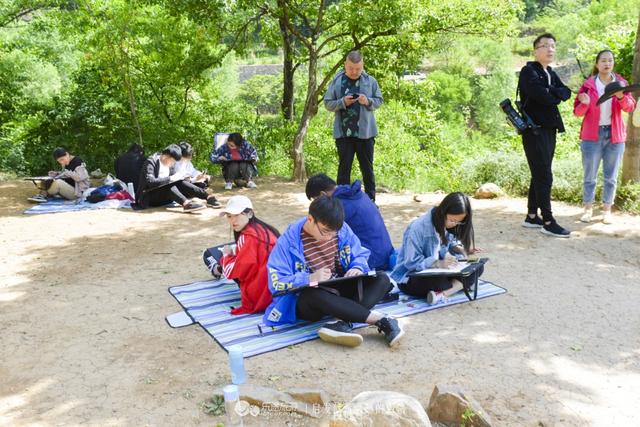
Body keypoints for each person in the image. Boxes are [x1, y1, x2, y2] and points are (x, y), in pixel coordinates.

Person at [263, 195, 403, 348]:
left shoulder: (341, 229)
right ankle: (381, 320)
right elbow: (276, 283)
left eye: (333, 233)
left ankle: (341, 322)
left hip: (337, 286)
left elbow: (360, 254)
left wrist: (356, 268)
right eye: (325, 232)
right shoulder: (288, 242)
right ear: (310, 219)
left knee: (382, 278)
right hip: (310, 299)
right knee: (312, 294)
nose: (330, 237)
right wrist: (308, 278)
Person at [518, 33, 572, 238]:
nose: (550, 49)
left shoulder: (550, 71)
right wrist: (553, 93)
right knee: (544, 175)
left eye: (553, 46)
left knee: (540, 172)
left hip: (549, 129)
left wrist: (552, 91)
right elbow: (543, 97)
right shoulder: (528, 71)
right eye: (545, 46)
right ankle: (548, 221)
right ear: (535, 50)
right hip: (534, 130)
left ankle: (532, 216)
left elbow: (566, 92)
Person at [573, 50, 636, 224]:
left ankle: (607, 210)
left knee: (611, 176)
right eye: (603, 60)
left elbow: (630, 107)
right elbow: (577, 113)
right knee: (590, 175)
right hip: (592, 136)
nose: (607, 63)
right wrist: (584, 104)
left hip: (615, 136)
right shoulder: (588, 85)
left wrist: (622, 97)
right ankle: (588, 209)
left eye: (610, 60)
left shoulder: (620, 83)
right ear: (597, 64)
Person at [391, 192, 482, 305]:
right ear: (443, 211)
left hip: (437, 273)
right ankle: (460, 285)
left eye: (459, 221)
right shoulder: (418, 228)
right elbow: (411, 263)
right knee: (440, 282)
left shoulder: (443, 223)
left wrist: (461, 249)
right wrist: (438, 263)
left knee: (476, 267)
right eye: (453, 220)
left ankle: (442, 294)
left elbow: (449, 243)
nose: (455, 224)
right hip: (410, 278)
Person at [203, 196, 280, 315]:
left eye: (237, 215)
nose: (233, 220)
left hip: (261, 297)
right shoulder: (266, 230)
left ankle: (217, 269)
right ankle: (217, 268)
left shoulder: (247, 237)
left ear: (250, 214)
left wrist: (226, 256)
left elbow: (235, 271)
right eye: (229, 216)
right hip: (276, 289)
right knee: (229, 254)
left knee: (212, 255)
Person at [324, 50, 383, 202]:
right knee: (344, 170)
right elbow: (328, 103)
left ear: (362, 65)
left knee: (367, 169)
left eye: (358, 68)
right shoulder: (337, 81)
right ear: (345, 65)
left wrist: (367, 101)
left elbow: (379, 100)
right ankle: (341, 203)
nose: (355, 72)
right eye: (351, 68)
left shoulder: (370, 81)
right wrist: (343, 102)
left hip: (366, 134)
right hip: (343, 134)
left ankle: (371, 202)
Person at [305, 173, 394, 270]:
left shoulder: (337, 206)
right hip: (386, 254)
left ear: (323, 194)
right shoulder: (355, 194)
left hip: (372, 260)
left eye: (315, 199)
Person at [135, 144, 219, 212]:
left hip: (164, 197)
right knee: (169, 184)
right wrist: (170, 178)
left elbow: (177, 182)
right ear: (165, 156)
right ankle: (186, 204)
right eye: (173, 161)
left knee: (180, 182)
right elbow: (150, 182)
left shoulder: (169, 166)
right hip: (149, 197)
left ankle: (208, 197)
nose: (173, 164)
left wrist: (190, 179)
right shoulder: (151, 162)